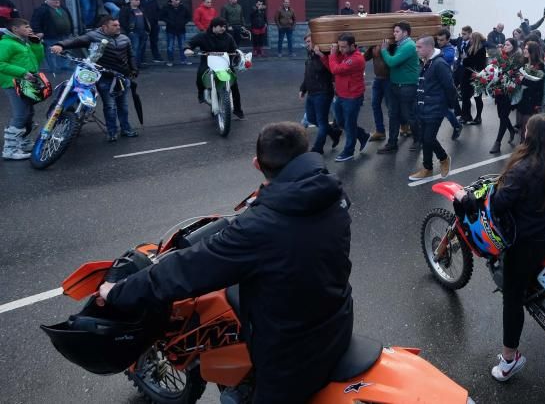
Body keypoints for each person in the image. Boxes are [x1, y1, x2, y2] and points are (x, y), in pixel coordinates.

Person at [99, 122, 354, 404]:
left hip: (291, 354)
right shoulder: (332, 195)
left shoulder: (259, 227)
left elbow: (188, 268)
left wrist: (119, 291)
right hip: (336, 320)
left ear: (257, 164)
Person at [455, 113, 545, 382]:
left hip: (525, 241)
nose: (522, 131)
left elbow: (498, 205)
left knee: (512, 297)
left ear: (532, 135)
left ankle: (509, 359)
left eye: (526, 128)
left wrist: (466, 199)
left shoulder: (525, 167)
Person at [51, 15, 138, 142]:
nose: (118, 27)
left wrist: (134, 69)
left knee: (123, 106)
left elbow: (131, 55)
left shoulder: (124, 38)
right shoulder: (93, 36)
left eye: (118, 25)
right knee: (110, 106)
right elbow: (75, 41)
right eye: (114, 25)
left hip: (122, 77)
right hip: (104, 78)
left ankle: (126, 129)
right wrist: (60, 45)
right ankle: (112, 132)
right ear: (104, 27)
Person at [407, 36, 456, 181]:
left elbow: (449, 87)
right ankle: (427, 168)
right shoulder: (426, 62)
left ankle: (444, 158)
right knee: (424, 138)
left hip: (435, 108)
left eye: (419, 47)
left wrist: (450, 107)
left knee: (428, 138)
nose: (416, 50)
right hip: (423, 107)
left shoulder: (439, 64)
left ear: (429, 47)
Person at [321, 33, 371, 162]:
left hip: (353, 97)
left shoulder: (356, 58)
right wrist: (323, 56)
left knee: (349, 124)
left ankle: (349, 151)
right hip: (341, 94)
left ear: (352, 45)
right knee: (341, 122)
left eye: (343, 47)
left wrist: (332, 54)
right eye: (339, 47)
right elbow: (332, 67)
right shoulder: (344, 55)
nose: (341, 49)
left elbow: (336, 70)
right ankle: (363, 135)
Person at [0, 18, 44, 160]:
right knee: (21, 114)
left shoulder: (23, 43)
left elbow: (37, 60)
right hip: (13, 83)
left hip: (25, 82)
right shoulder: (7, 43)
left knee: (28, 113)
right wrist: (22, 73)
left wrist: (37, 45)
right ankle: (10, 150)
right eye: (26, 27)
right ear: (15, 29)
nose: (30, 29)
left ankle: (23, 143)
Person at [184, 17, 245, 120]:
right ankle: (201, 94)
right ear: (214, 26)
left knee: (234, 84)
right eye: (221, 26)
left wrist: (238, 54)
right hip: (208, 62)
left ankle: (238, 110)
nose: (223, 29)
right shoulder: (203, 36)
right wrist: (187, 49)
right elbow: (190, 43)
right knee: (200, 74)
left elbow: (234, 48)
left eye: (224, 26)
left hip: (224, 62)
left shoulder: (228, 37)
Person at [377, 21, 419, 154]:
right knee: (393, 115)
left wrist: (383, 50)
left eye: (397, 32)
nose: (393, 34)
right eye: (393, 31)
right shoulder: (399, 45)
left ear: (405, 33)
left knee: (409, 115)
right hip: (395, 85)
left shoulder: (409, 45)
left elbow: (392, 62)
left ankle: (418, 141)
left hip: (407, 87)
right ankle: (392, 143)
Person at [299, 35, 341, 156]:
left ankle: (318, 148)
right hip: (312, 93)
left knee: (321, 122)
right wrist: (303, 89)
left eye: (309, 41)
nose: (307, 44)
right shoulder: (310, 55)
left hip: (323, 93)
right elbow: (308, 75)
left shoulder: (325, 55)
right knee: (311, 118)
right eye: (306, 42)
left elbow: (330, 69)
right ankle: (334, 133)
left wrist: (319, 54)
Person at [485, 38, 523, 154]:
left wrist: (510, 81)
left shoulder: (517, 59)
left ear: (514, 46)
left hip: (509, 92)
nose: (505, 46)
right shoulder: (501, 57)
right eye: (505, 44)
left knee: (503, 116)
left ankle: (497, 143)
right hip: (499, 91)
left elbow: (518, 75)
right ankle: (511, 130)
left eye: (508, 44)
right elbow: (494, 70)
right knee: (501, 116)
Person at [30, 0, 74, 76]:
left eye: (57, 0)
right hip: (50, 36)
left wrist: (72, 30)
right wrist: (38, 31)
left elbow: (70, 19)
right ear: (46, 1)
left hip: (65, 35)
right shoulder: (41, 9)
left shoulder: (63, 8)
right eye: (53, 0)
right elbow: (35, 21)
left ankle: (64, 66)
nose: (57, 1)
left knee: (66, 51)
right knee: (52, 52)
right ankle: (53, 69)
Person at [435, 28, 463, 140]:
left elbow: (448, 58)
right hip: (434, 82)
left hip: (445, 84)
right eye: (437, 40)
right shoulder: (438, 48)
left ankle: (457, 125)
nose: (439, 42)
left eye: (441, 40)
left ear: (448, 40)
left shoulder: (450, 49)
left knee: (444, 109)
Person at [514, 40, 545, 141]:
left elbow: (539, 85)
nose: (524, 50)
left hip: (532, 99)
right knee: (521, 123)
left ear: (533, 51)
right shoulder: (523, 62)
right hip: (522, 98)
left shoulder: (540, 65)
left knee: (527, 126)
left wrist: (524, 80)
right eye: (524, 48)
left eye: (527, 49)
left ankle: (525, 147)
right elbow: (517, 77)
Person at [363, 42, 388, 141]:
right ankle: (380, 131)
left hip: (389, 79)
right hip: (378, 78)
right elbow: (365, 58)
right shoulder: (373, 45)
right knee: (375, 104)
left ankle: (403, 125)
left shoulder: (389, 43)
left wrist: (383, 49)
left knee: (391, 106)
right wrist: (370, 47)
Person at [118, 0, 151, 68]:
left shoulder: (141, 9)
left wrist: (147, 31)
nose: (138, 2)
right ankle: (133, 66)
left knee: (140, 49)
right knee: (134, 49)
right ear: (131, 1)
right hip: (133, 33)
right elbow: (122, 21)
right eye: (136, 0)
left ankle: (138, 64)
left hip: (142, 32)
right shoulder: (126, 9)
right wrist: (130, 31)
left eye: (139, 0)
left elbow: (145, 20)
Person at [461, 32, 487, 124]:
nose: (470, 40)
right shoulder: (471, 48)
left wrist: (465, 59)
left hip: (475, 75)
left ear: (475, 39)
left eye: (471, 38)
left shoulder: (480, 49)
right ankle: (466, 116)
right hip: (469, 74)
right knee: (466, 96)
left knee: (477, 97)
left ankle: (478, 117)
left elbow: (474, 63)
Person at [161, 0, 192, 67]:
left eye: (178, 0)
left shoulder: (183, 8)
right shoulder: (166, 7)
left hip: (181, 29)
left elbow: (189, 17)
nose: (177, 2)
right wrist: (169, 22)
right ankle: (170, 61)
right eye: (176, 0)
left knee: (183, 46)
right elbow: (161, 16)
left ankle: (184, 60)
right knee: (170, 46)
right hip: (170, 29)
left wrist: (183, 22)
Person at [137, 0, 163, 64]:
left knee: (154, 41)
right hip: (143, 24)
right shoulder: (137, 0)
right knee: (143, 42)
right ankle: (142, 58)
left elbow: (158, 10)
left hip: (154, 24)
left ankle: (156, 57)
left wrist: (157, 18)